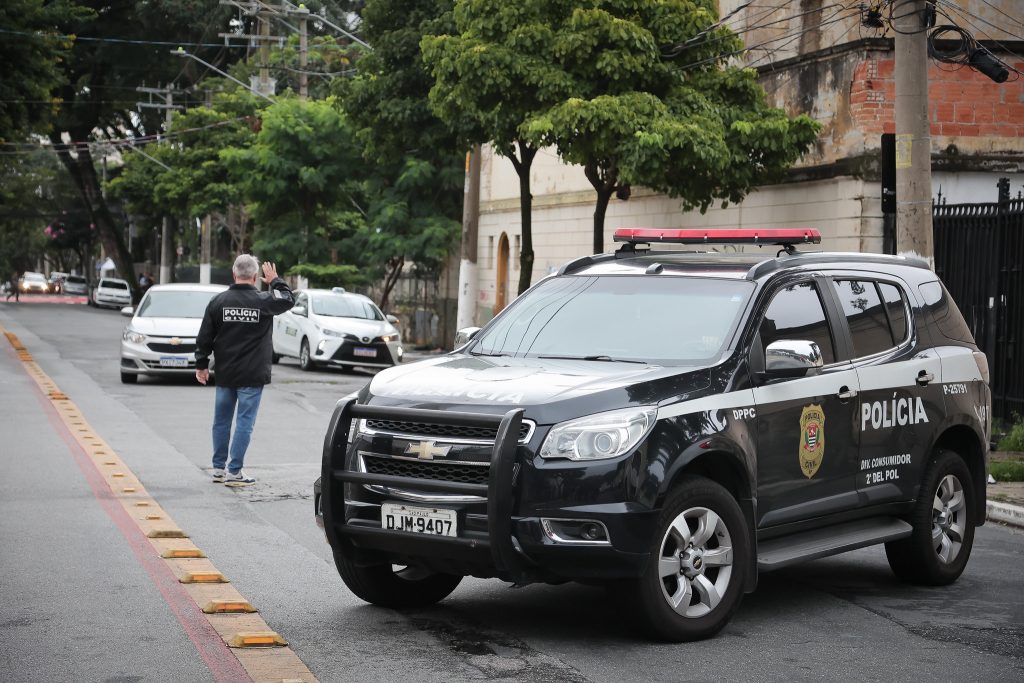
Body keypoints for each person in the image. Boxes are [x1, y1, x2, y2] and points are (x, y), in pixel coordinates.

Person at [194, 255, 294, 486]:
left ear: (234, 274)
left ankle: (218, 469)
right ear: (254, 277)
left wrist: (201, 365)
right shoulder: (264, 300)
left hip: (226, 373)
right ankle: (234, 471)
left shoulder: (218, 302)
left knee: (221, 421)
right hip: (252, 374)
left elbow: (205, 336)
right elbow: (288, 299)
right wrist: (275, 280)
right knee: (244, 422)